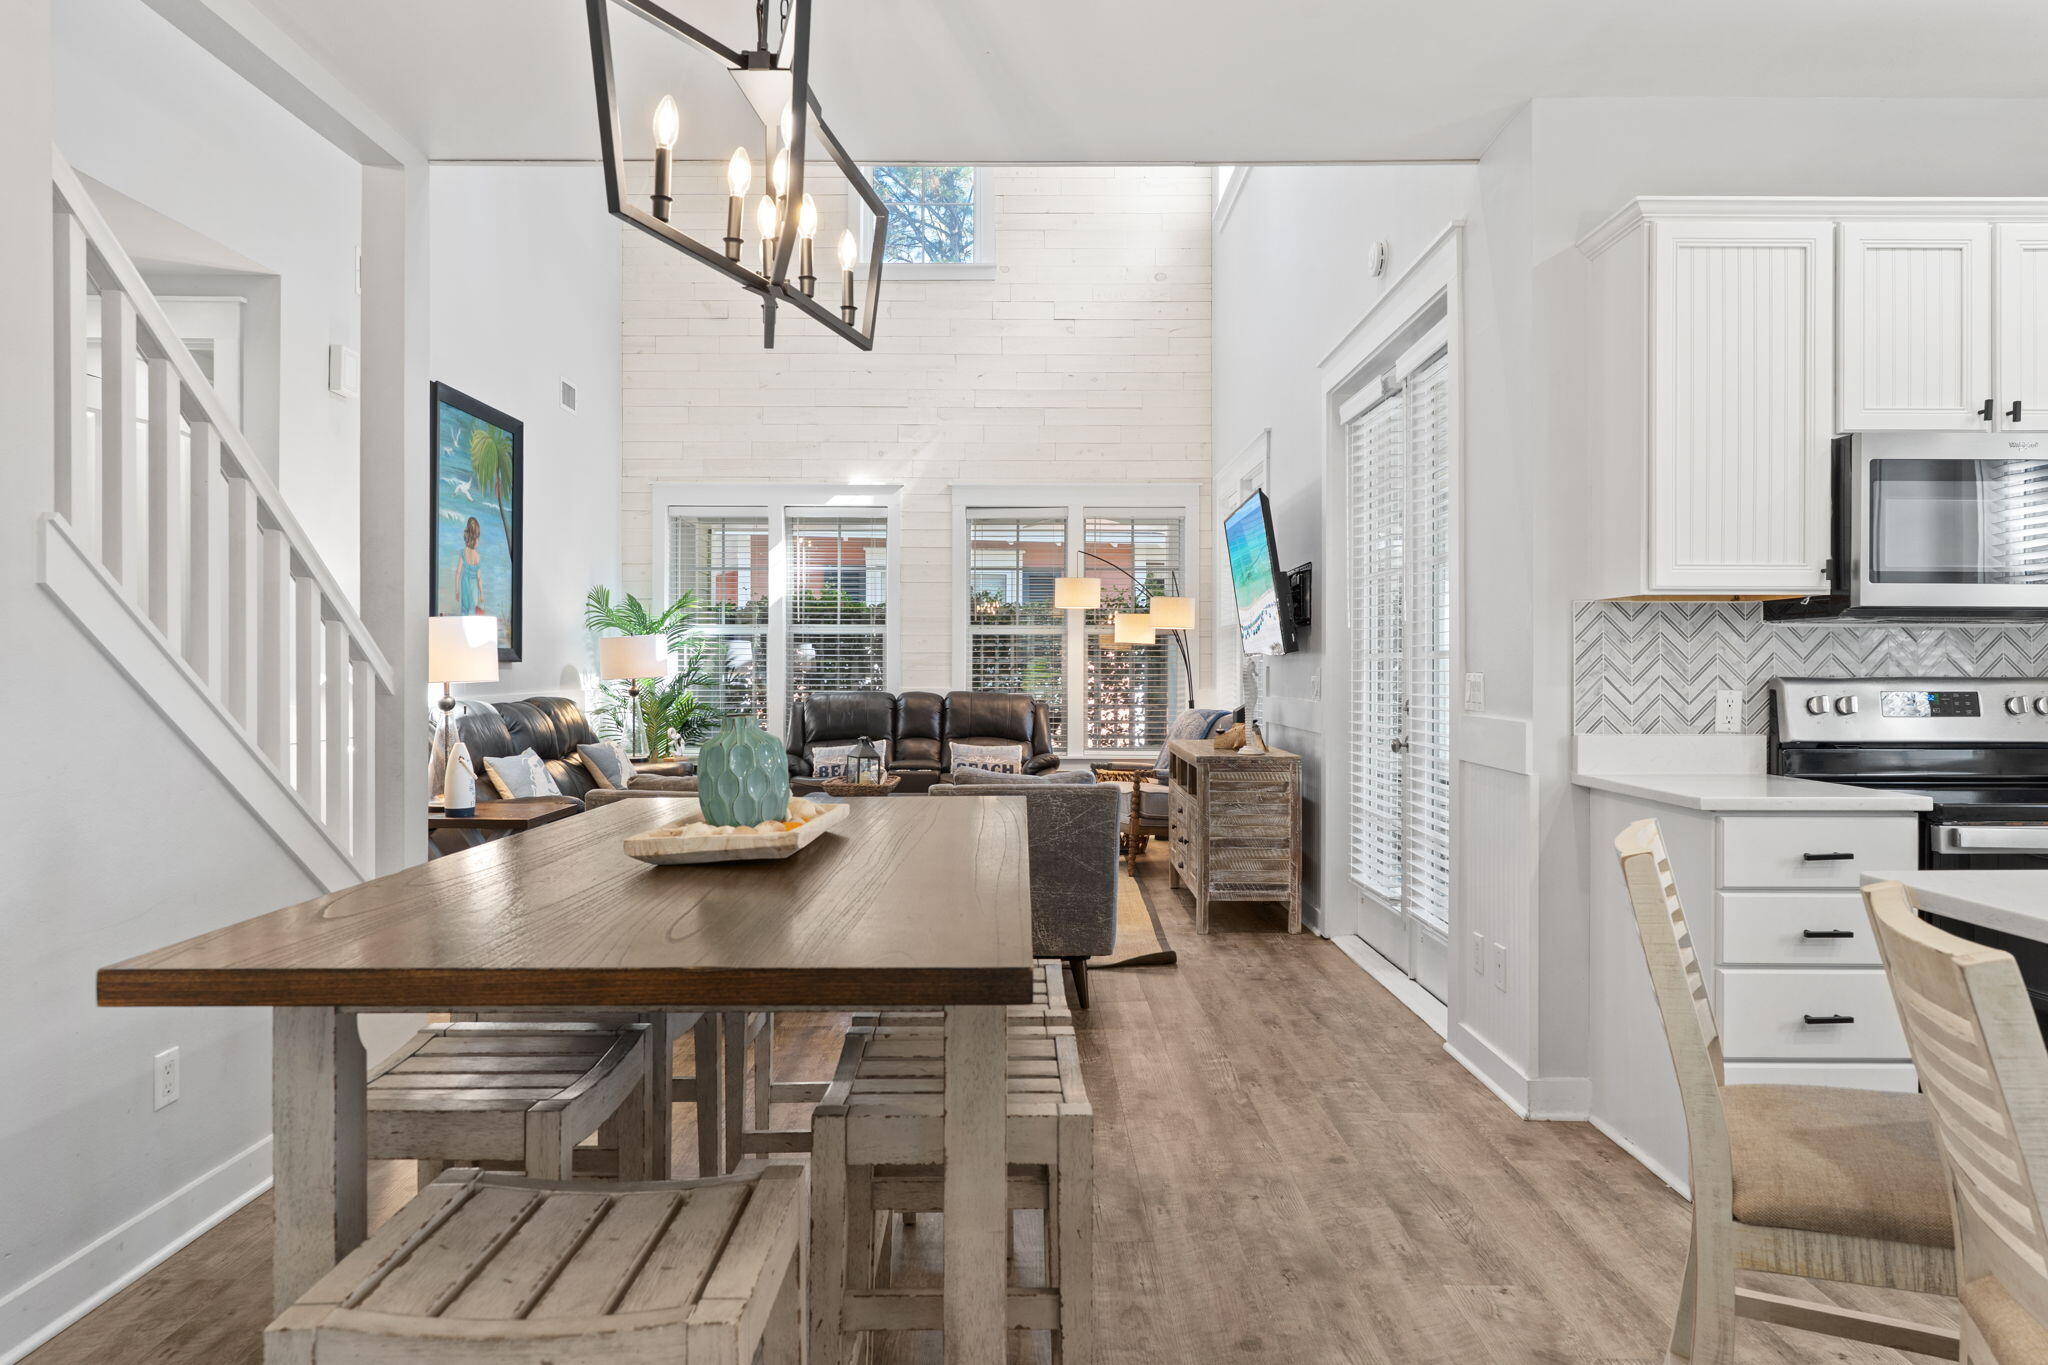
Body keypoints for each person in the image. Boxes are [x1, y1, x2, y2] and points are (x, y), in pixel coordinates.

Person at [458, 516, 485, 614]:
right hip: (473, 585)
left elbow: (458, 572)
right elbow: (479, 578)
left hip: (464, 582)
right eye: (478, 538)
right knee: (472, 608)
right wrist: (481, 593)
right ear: (475, 539)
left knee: (464, 607)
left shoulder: (463, 552)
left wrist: (456, 590)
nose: (479, 541)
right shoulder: (477, 557)